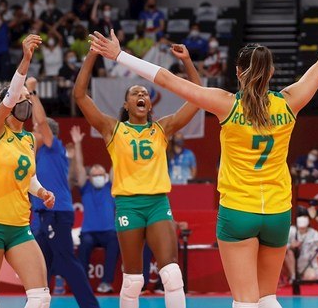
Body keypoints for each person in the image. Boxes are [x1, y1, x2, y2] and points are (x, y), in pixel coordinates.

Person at [90, 0, 318, 308]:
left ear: (238, 72)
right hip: (276, 212)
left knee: (244, 301)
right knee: (268, 298)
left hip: (238, 212)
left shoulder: (227, 105)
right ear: (271, 73)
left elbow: (167, 81)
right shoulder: (290, 102)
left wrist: (120, 55)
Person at [73, 44, 201, 308]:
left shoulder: (162, 128)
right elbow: (80, 95)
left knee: (172, 274)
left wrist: (187, 62)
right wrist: (92, 55)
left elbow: (198, 97)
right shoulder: (112, 129)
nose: (142, 94)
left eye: (145, 92)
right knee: (133, 280)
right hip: (128, 206)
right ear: (127, 104)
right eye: (135, 93)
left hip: (157, 204)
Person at [0, 35, 56, 308]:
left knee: (41, 297)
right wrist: (26, 59)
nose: (27, 102)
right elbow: (10, 97)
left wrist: (42, 191)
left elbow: (28, 176)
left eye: (29, 98)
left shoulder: (29, 139)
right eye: (23, 97)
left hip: (20, 226)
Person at [26, 77, 100, 308]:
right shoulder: (38, 154)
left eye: (36, 129)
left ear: (45, 131)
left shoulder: (53, 145)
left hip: (56, 213)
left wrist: (31, 93)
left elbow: (40, 121)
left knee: (66, 261)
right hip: (43, 215)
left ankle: (90, 306)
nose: (33, 133)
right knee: (42, 264)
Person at [69, 125, 118, 295]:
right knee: (84, 247)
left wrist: (116, 143)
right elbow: (79, 168)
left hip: (109, 232)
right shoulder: (86, 187)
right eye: (95, 174)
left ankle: (106, 283)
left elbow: (115, 165)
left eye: (101, 174)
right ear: (90, 177)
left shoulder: (110, 187)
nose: (98, 177)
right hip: (89, 232)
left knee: (114, 244)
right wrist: (77, 144)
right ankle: (82, 285)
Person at [284, 211, 318, 283]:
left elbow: (317, 252)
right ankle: (293, 276)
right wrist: (291, 246)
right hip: (290, 264)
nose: (302, 229)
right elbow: (281, 247)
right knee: (288, 252)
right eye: (300, 228)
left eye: (304, 228)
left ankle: (299, 276)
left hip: (306, 264)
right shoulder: (291, 230)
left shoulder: (314, 234)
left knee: (311, 278)